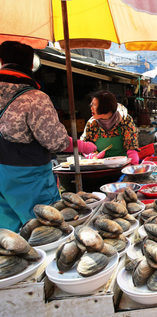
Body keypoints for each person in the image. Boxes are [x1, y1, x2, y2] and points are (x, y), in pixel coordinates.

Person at [0, 41, 96, 231]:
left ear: (2, 61)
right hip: (28, 178)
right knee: (45, 228)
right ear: (31, 65)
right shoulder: (35, 98)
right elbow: (57, 142)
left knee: (7, 234)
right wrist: (82, 145)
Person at [81, 90, 140, 164]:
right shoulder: (92, 124)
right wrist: (92, 155)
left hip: (122, 165)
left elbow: (131, 146)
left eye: (94, 105)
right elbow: (85, 145)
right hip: (100, 166)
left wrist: (133, 164)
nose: (91, 108)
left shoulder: (125, 120)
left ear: (105, 107)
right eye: (91, 105)